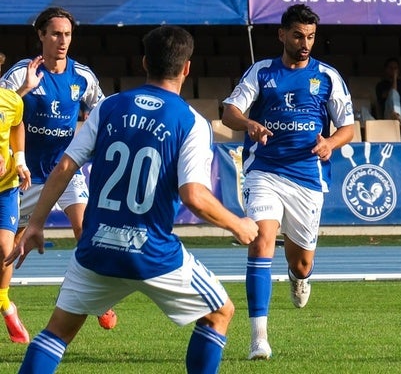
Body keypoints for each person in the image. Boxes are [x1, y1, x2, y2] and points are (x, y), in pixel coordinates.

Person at [4, 25, 258, 373]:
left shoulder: (109, 107)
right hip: (151, 251)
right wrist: (238, 225)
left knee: (55, 335)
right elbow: (194, 196)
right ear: (186, 68)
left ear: (143, 63)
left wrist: (34, 224)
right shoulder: (191, 122)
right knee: (220, 313)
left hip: (96, 248)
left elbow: (64, 165)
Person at [222, 4, 355, 361]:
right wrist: (249, 124)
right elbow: (229, 111)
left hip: (307, 177)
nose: (305, 43)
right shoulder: (262, 72)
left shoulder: (327, 76)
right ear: (282, 34)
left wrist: (330, 143)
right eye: (298, 35)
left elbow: (347, 127)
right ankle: (258, 338)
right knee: (262, 239)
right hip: (264, 170)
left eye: (310, 36)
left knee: (301, 264)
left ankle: (299, 278)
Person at [0, 7, 117, 330]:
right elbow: (2, 113)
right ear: (41, 35)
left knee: (84, 228)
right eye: (55, 34)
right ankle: (6, 304)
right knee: (9, 249)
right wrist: (23, 89)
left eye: (67, 34)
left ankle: (95, 298)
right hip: (23, 175)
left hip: (65, 170)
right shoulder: (20, 74)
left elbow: (103, 111)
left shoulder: (82, 76)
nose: (62, 41)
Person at [0, 86, 32, 343]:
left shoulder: (11, 100)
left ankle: (4, 302)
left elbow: (17, 125)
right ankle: (6, 307)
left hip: (6, 187)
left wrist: (19, 160)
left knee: (5, 249)